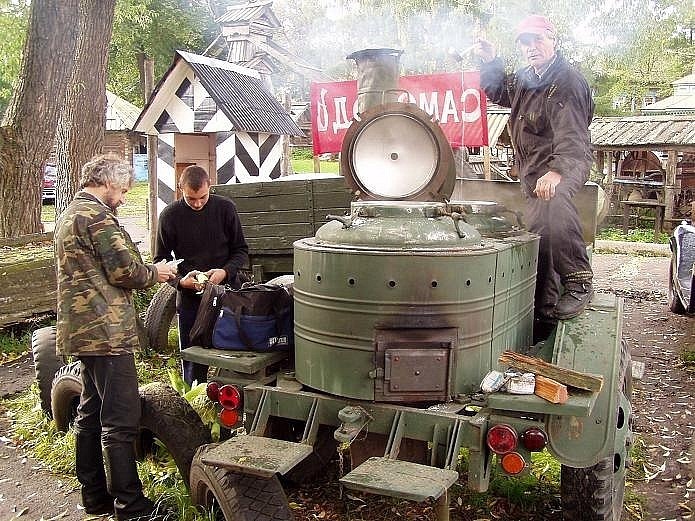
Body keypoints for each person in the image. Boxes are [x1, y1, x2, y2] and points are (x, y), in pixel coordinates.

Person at [54, 155, 176, 520]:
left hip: (81, 331)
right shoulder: (97, 216)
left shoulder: (70, 213)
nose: (122, 199)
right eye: (122, 191)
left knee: (91, 414)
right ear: (107, 182)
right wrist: (158, 271)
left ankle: (94, 497)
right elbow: (126, 271)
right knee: (121, 420)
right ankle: (132, 507)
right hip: (106, 333)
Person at [474, 14, 595, 328]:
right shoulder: (526, 78)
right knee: (539, 236)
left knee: (554, 203)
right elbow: (499, 90)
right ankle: (543, 311)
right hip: (532, 172)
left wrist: (557, 172)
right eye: (525, 42)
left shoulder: (567, 81)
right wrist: (490, 60)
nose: (532, 47)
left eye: (538, 39)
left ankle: (579, 280)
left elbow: (573, 136)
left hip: (567, 161)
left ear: (553, 40)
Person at [154, 165, 249, 386]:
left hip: (227, 294)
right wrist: (181, 282)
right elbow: (161, 261)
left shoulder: (226, 208)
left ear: (210, 187)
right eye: (191, 199)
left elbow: (240, 250)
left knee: (234, 355)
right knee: (192, 359)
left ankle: (229, 396)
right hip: (190, 299)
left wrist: (224, 272)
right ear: (180, 189)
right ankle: (194, 399)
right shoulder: (169, 216)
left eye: (203, 197)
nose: (197, 204)